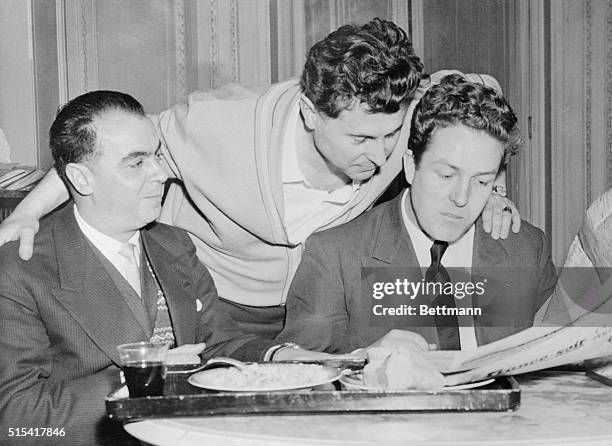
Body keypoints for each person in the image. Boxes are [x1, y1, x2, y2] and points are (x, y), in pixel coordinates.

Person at [0, 19, 520, 339]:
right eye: (362, 140)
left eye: (390, 137)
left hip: (316, 303)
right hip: (220, 306)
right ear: (312, 112)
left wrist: (491, 189)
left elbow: (478, 96)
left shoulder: (390, 110)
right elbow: (103, 153)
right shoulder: (215, 125)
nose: (382, 155)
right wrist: (26, 210)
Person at [0, 91, 264, 446]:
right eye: (136, 163)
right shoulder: (21, 270)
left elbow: (220, 344)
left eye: (156, 156)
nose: (160, 174)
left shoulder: (174, 243)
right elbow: (16, 421)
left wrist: (285, 357)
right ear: (81, 179)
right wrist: (140, 379)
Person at [271, 74, 558, 356]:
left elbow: (559, 360)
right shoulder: (334, 255)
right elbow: (300, 375)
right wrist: (363, 361)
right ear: (410, 166)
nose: (461, 199)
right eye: (446, 175)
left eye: (481, 181)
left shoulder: (528, 248)